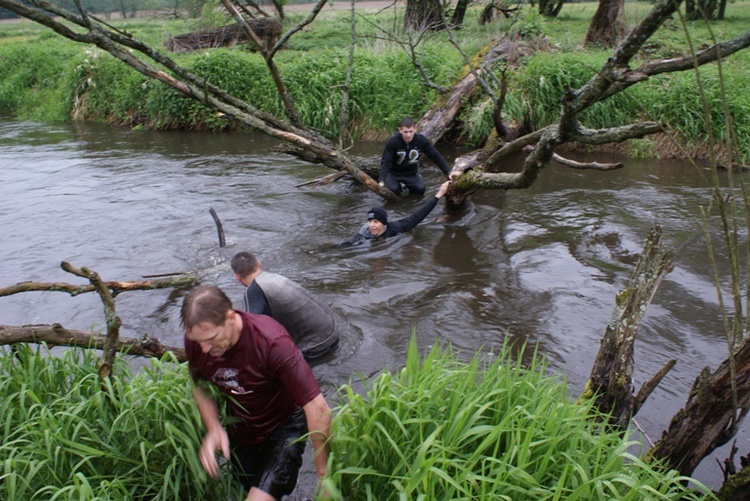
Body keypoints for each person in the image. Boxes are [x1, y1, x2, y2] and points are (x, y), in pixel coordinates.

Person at [182, 285, 331, 501]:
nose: (203, 349)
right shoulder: (197, 342)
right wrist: (214, 427)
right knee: (245, 492)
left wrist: (324, 473)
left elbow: (318, 408)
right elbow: (201, 387)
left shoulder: (271, 342)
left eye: (212, 339)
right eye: (198, 341)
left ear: (230, 318)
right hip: (242, 430)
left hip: (284, 428)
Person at [230, 251, 339, 361]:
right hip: (333, 333)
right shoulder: (277, 278)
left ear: (237, 277)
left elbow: (249, 331)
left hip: (315, 348)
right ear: (259, 264)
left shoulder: (253, 290)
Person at [344, 180, 451, 245]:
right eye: (370, 221)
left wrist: (439, 194)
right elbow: (346, 246)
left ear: (384, 223)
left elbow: (418, 216)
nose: (371, 225)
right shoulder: (363, 234)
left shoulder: (396, 227)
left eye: (376, 222)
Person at [379, 116, 460, 195]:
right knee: (394, 190)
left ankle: (408, 195)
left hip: (411, 173)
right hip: (394, 173)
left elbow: (435, 156)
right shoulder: (393, 141)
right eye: (405, 132)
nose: (408, 135)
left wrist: (448, 171)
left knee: (420, 189)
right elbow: (385, 161)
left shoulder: (421, 140)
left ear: (415, 129)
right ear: (400, 130)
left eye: (411, 131)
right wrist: (382, 181)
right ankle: (399, 192)